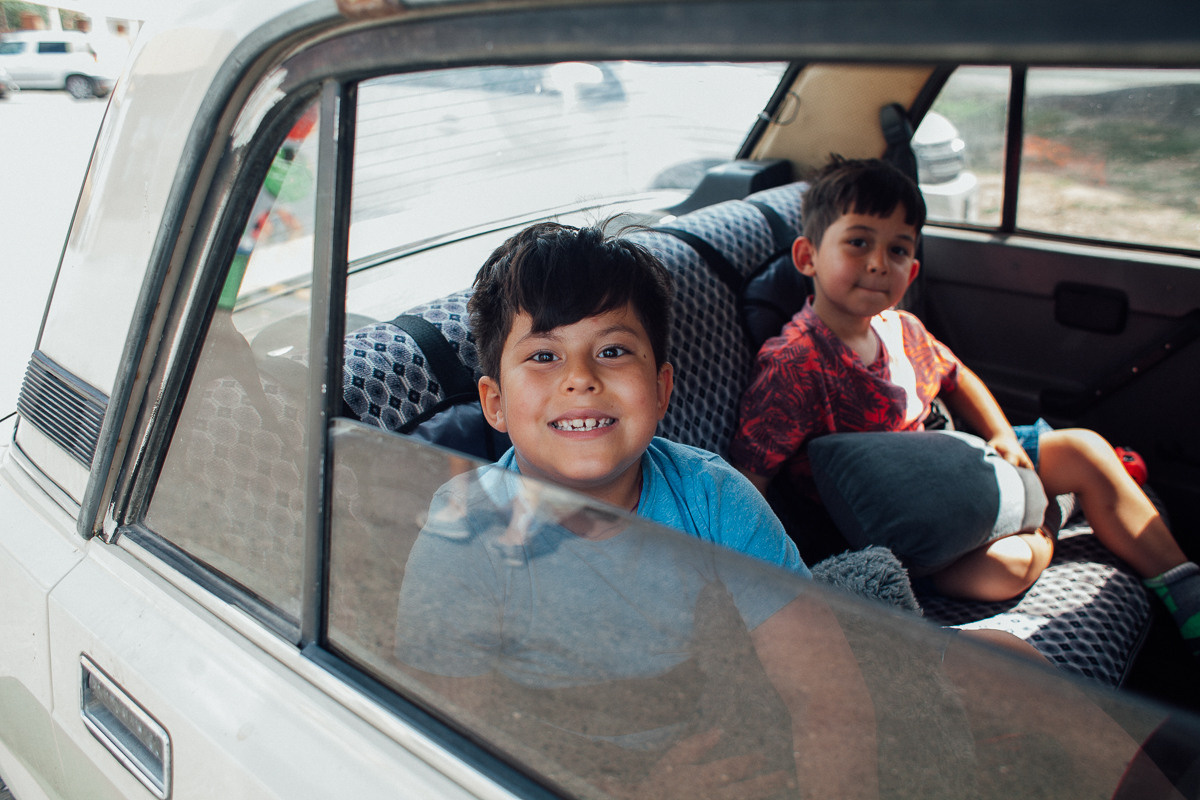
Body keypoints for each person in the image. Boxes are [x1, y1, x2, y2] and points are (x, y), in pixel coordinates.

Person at [393, 222, 878, 799]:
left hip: (711, 729)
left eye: (613, 350)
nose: (580, 378)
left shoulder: (713, 497)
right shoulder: (465, 530)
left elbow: (828, 697)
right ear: (494, 403)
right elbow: (440, 752)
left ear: (662, 387)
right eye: (544, 355)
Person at [730, 156, 1200, 659]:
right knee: (1009, 568)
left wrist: (999, 434)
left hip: (958, 461)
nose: (877, 262)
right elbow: (750, 476)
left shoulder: (901, 327)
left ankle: (1184, 588)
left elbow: (958, 379)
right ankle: (1052, 509)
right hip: (905, 527)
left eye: (897, 250)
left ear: (911, 270)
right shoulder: (795, 363)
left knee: (1086, 448)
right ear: (807, 256)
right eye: (858, 242)